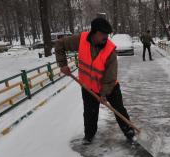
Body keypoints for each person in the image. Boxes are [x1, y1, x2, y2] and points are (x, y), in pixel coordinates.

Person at [55, 17, 135, 145]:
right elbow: (59, 44)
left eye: (107, 34)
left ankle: (129, 131)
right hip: (88, 86)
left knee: (119, 109)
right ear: (94, 32)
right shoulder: (81, 40)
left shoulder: (110, 50)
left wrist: (103, 94)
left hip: (109, 87)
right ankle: (89, 135)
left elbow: (110, 76)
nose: (106, 37)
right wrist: (62, 64)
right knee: (89, 112)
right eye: (103, 34)